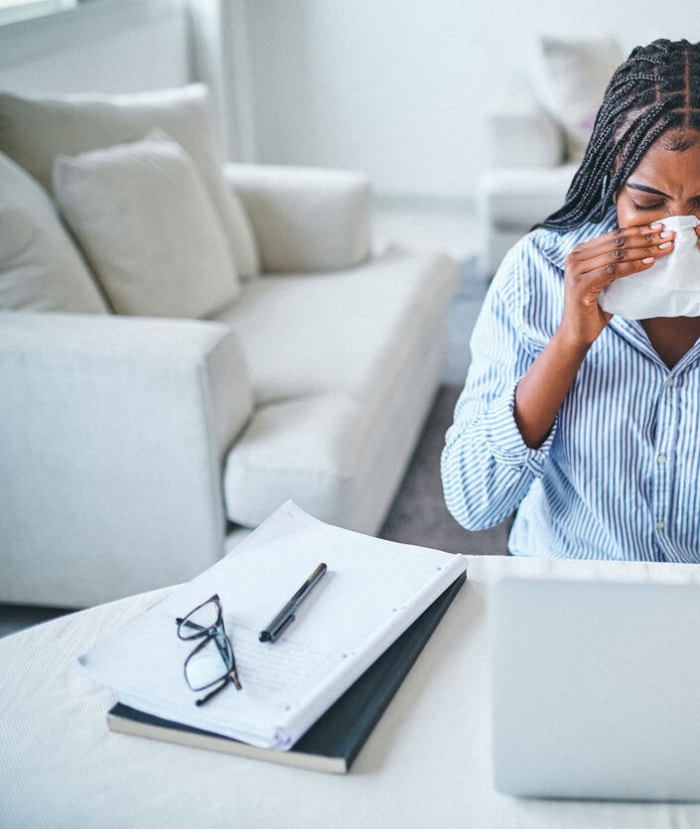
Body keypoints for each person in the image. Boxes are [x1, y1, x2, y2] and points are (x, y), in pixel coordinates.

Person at [441, 39, 700, 561]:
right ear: (612, 184)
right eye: (648, 203)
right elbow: (473, 503)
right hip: (572, 593)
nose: (677, 233)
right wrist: (569, 343)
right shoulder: (537, 272)